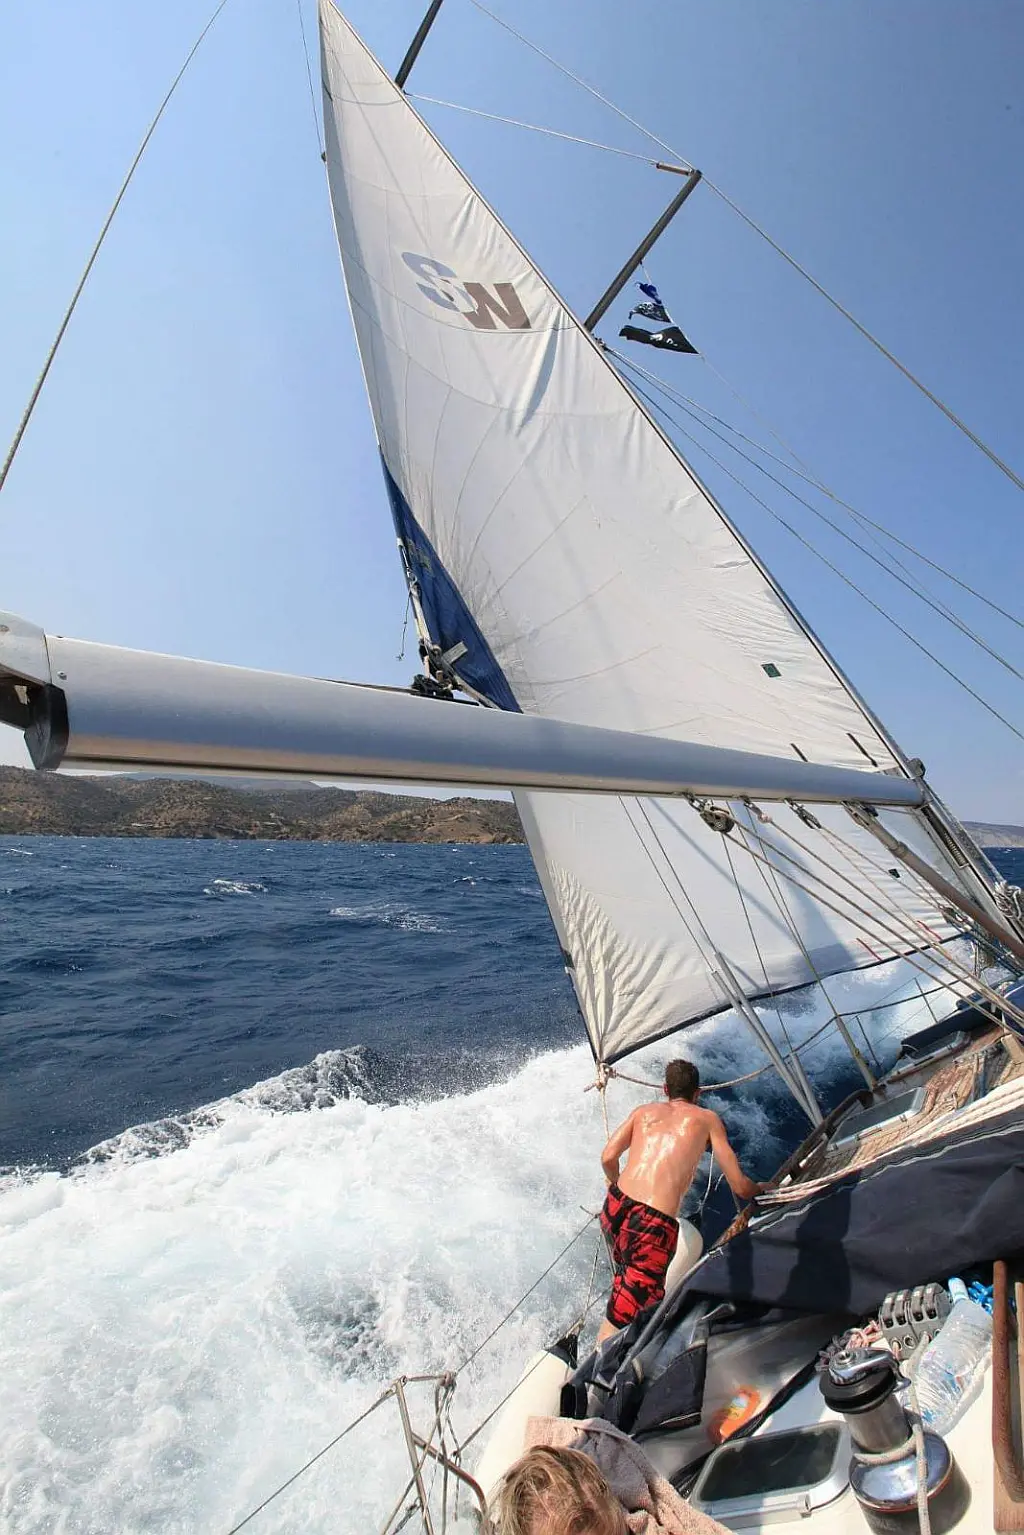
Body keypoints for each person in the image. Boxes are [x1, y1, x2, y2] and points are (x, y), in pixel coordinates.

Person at [596, 1059, 762, 1346]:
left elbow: (608, 1158)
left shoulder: (643, 1112)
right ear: (697, 1093)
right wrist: (762, 1187)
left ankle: (624, 1320)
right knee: (621, 1318)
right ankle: (602, 1366)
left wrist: (615, 1183)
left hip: (615, 1207)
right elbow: (740, 1186)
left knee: (627, 1280)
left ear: (665, 1089)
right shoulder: (707, 1119)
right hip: (649, 1225)